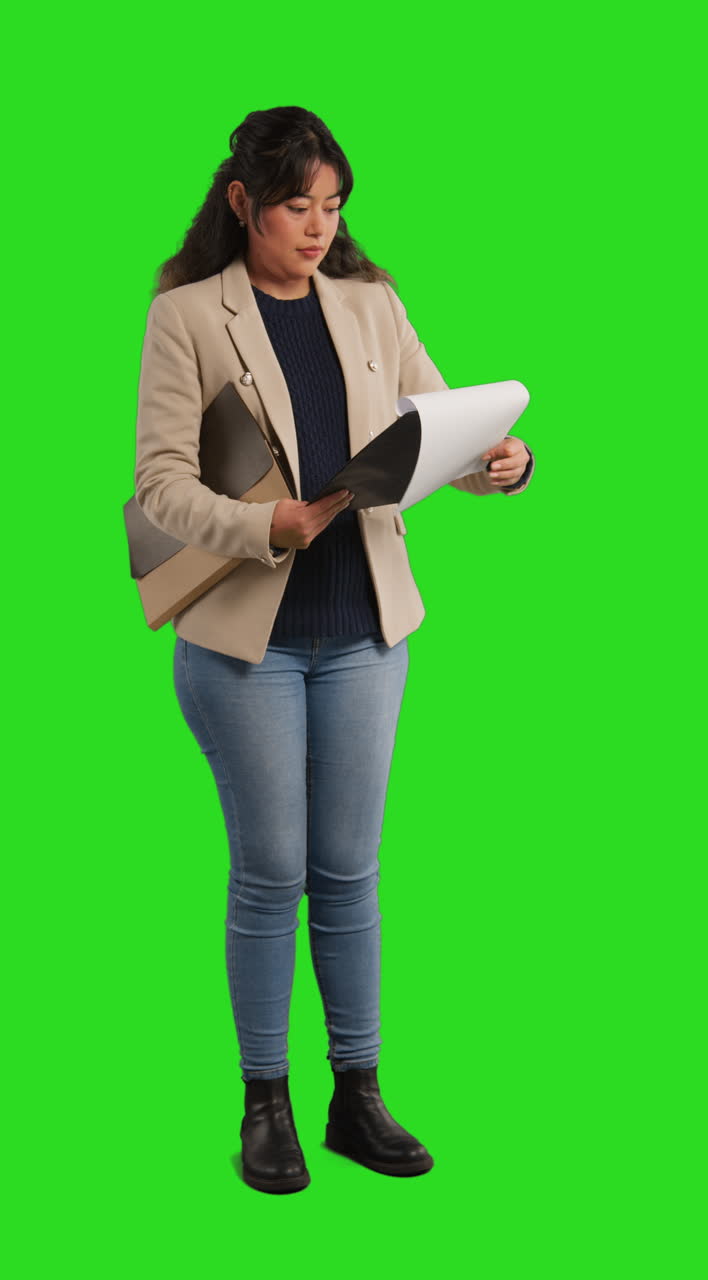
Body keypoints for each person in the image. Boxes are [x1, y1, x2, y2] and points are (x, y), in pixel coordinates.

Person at [133, 106, 535, 1195]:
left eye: (334, 206)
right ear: (242, 204)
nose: (320, 227)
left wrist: (495, 460)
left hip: (365, 630)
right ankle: (265, 1101)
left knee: (349, 870)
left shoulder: (370, 303)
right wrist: (267, 525)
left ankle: (356, 1093)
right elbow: (160, 488)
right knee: (272, 872)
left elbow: (435, 427)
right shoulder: (188, 317)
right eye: (298, 206)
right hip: (246, 646)